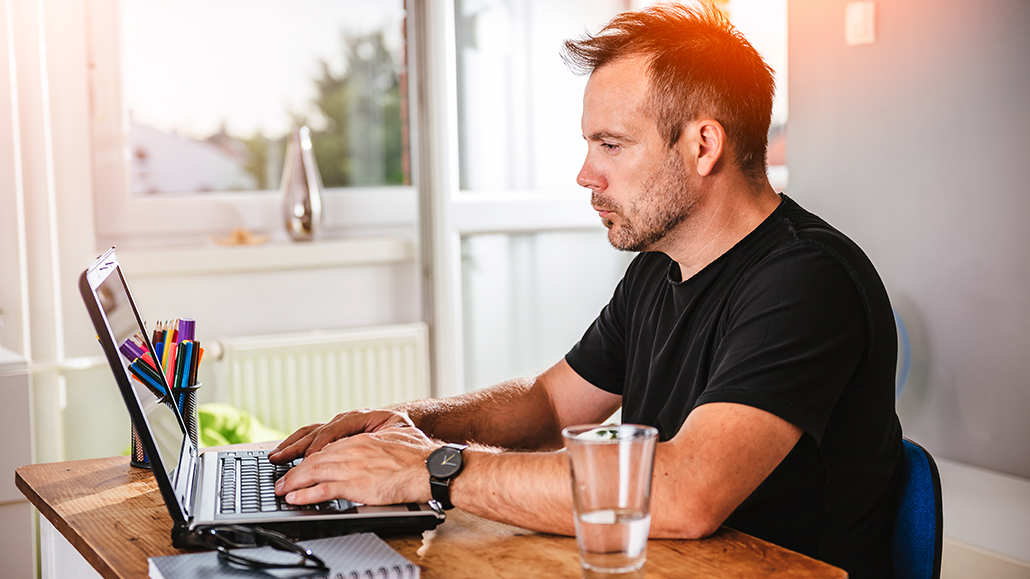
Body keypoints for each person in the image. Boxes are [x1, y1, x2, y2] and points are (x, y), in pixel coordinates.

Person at [270, 4, 902, 578]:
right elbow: (550, 405)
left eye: (612, 145)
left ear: (703, 145)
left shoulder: (807, 280)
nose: (585, 174)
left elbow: (687, 495)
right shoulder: (659, 269)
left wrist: (431, 468)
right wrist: (407, 426)